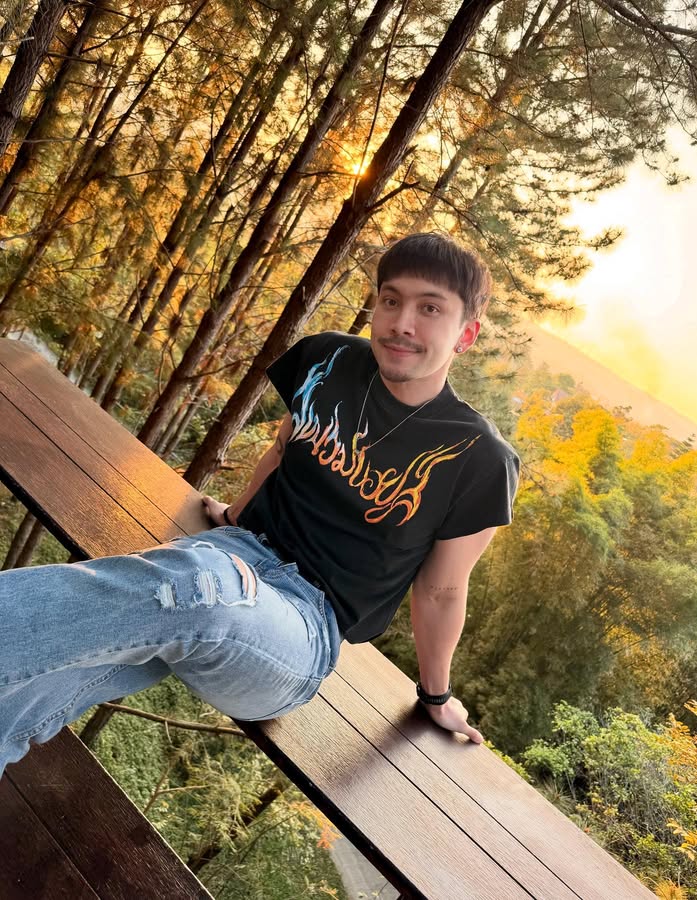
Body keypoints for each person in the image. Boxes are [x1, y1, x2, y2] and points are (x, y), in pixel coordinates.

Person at [0, 233, 519, 777]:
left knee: (195, 586)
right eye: (391, 300)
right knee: (73, 668)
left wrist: (436, 696)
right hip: (225, 558)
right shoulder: (329, 359)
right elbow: (281, 450)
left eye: (430, 308)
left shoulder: (477, 457)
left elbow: (441, 590)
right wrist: (234, 514)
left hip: (300, 631)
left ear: (466, 334)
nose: (401, 323)